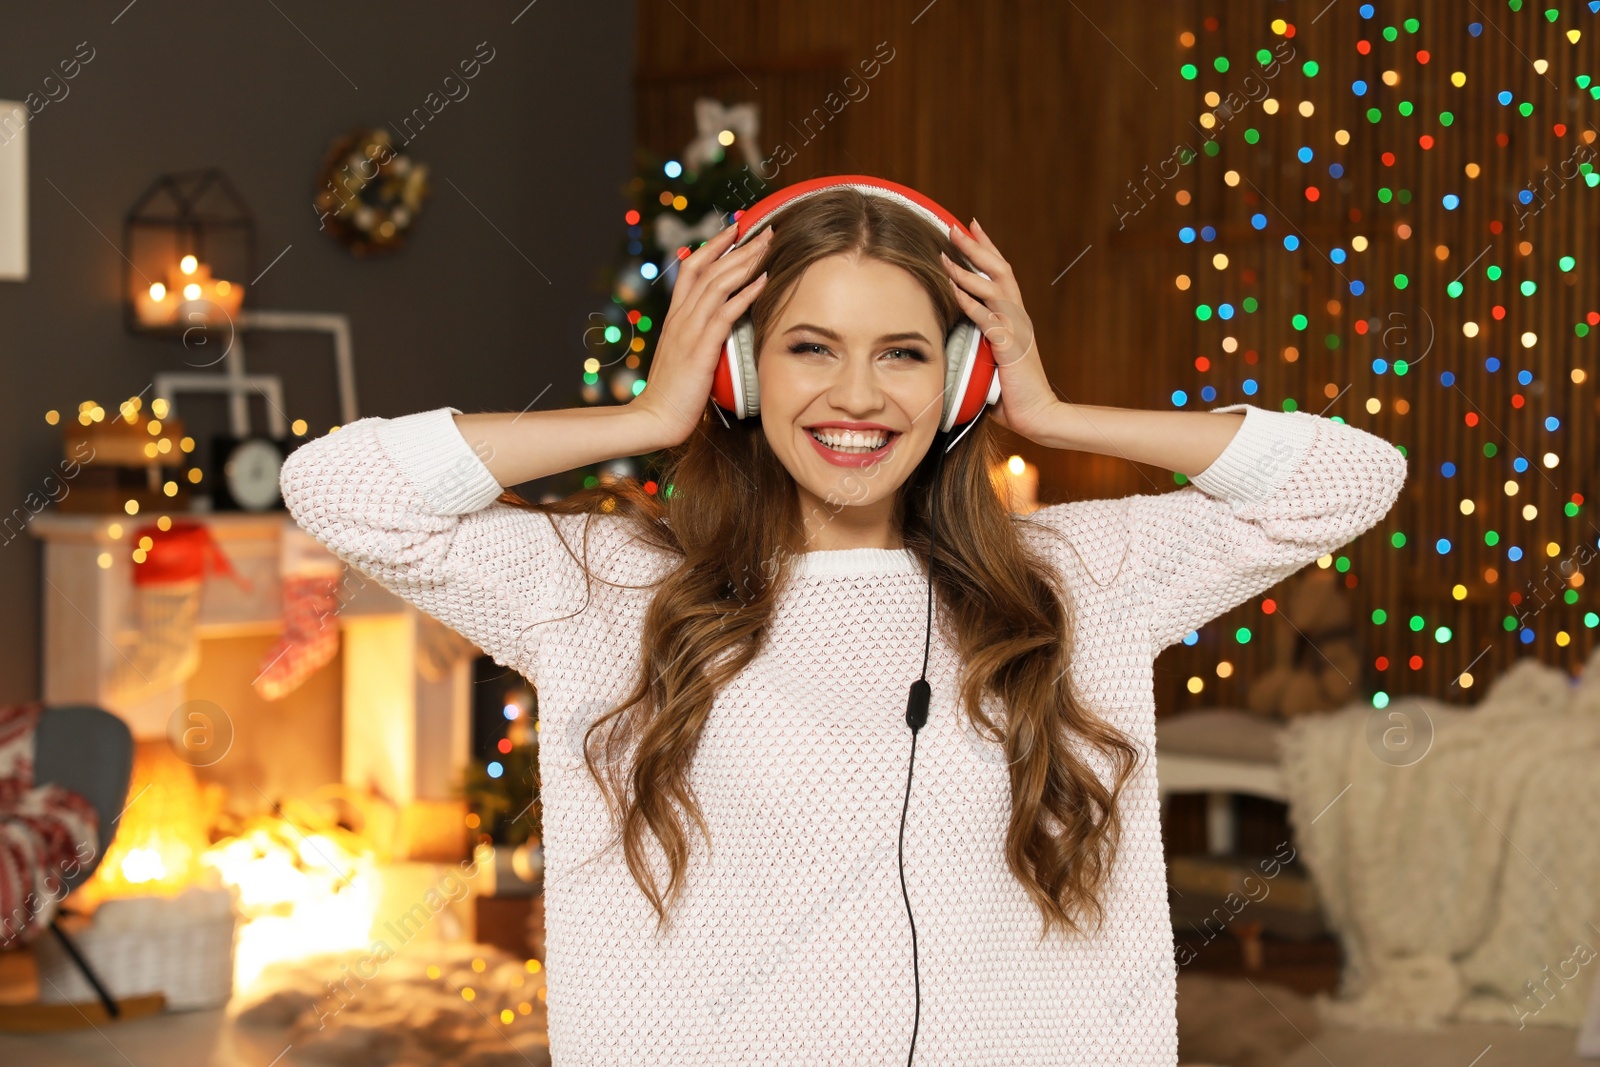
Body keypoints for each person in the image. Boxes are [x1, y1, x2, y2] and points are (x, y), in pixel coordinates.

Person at [279, 179, 1408, 1065]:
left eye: (903, 354)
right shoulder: (613, 584)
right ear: (742, 370)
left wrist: (1051, 410)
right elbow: (339, 489)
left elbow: (1350, 477)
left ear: (960, 382)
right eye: (809, 346)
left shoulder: (1075, 572)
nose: (857, 396)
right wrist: (646, 410)